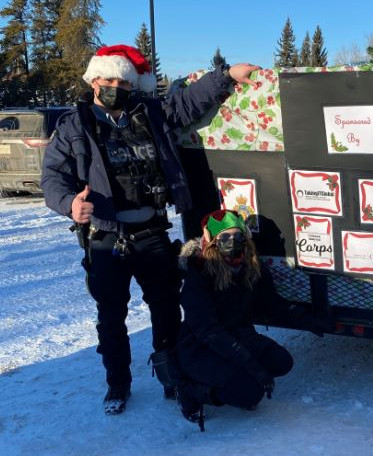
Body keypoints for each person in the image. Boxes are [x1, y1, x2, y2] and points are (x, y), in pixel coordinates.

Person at [40, 44, 260, 415]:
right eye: (108, 79)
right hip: (106, 239)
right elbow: (52, 177)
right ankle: (118, 386)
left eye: (122, 81)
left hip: (153, 233)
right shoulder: (75, 125)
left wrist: (225, 76)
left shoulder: (150, 114)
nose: (115, 87)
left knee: (166, 312)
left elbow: (188, 103)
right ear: (94, 80)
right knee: (111, 319)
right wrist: (70, 204)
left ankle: (174, 379)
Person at [171, 210, 333, 429]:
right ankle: (188, 389)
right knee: (250, 394)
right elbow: (208, 330)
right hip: (201, 346)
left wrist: (309, 320)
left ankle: (235, 377)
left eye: (237, 236)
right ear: (212, 240)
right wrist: (249, 363)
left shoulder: (250, 267)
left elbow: (273, 305)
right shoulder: (198, 272)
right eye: (224, 237)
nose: (232, 242)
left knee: (281, 361)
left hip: (238, 337)